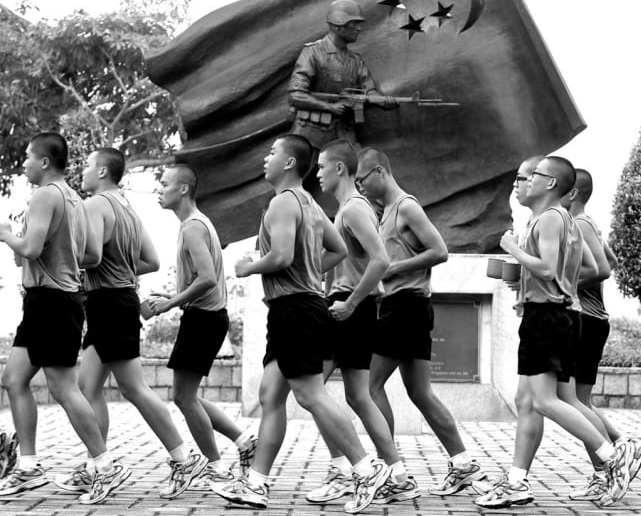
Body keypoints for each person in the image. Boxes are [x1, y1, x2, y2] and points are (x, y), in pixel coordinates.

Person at [212, 135, 389, 513]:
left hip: (295, 310)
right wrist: (309, 273)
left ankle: (365, 469)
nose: (266, 159)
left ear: (290, 163)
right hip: (296, 307)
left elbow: (279, 256)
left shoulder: (282, 203)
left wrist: (247, 267)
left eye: (272, 153)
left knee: (310, 395)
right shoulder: (310, 203)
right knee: (270, 395)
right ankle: (256, 484)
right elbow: (338, 249)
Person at [475, 155, 635, 509]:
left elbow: (548, 269)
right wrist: (533, 286)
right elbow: (578, 268)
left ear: (549, 183)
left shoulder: (550, 218)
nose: (524, 181)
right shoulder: (560, 219)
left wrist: (512, 249)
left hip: (548, 319)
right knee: (529, 401)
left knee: (545, 401)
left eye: (533, 175)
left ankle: (613, 457)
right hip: (553, 314)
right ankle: (516, 481)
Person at [53, 148, 206, 500]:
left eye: (87, 165)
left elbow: (91, 256)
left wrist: (53, 252)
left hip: (109, 302)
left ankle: (183, 459)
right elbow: (151, 261)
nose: (82, 170)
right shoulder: (127, 208)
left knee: (134, 388)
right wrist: (120, 271)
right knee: (87, 387)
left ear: (102, 171)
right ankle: (96, 466)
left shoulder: (95, 204)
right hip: (116, 300)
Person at [0, 133, 129, 504]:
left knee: (63, 388)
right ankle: (28, 467)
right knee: (14, 378)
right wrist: (39, 249)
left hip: (52, 302)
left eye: (28, 157)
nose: (24, 164)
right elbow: (89, 255)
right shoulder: (74, 198)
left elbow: (30, 249)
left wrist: (7, 235)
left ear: (44, 162)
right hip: (52, 299)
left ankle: (104, 466)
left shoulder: (45, 195)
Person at [355, 146, 487, 496]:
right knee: (419, 392)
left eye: (362, 179)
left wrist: (392, 268)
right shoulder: (385, 213)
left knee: (369, 387)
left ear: (379, 171)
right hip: (407, 307)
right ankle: (463, 464)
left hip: (405, 307)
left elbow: (440, 251)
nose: (360, 187)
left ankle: (391, 472)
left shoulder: (406, 207)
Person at [306, 139, 418, 505]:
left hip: (349, 307)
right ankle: (397, 475)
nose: (317, 174)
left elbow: (381, 260)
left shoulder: (354, 208)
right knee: (357, 396)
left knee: (310, 391)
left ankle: (346, 470)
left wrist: (350, 303)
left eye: (322, 167)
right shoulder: (350, 209)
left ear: (340, 168)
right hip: (350, 306)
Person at [151, 165, 256, 491]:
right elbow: (202, 279)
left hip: (204, 319)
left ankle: (216, 468)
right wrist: (173, 298)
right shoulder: (196, 224)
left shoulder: (193, 227)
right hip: (207, 317)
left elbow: (208, 278)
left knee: (183, 398)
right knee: (187, 396)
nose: (159, 189)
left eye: (165, 184)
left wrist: (171, 303)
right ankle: (244, 441)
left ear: (183, 189)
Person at [563, 168, 641, 500]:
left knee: (573, 401)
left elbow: (603, 269)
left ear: (572, 193)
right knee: (580, 401)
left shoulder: (579, 224)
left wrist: (561, 284)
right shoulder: (589, 223)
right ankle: (614, 456)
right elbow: (609, 258)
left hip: (586, 319)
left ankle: (614, 457)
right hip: (593, 319)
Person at [289, 0, 395, 211]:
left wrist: (383, 101)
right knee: (292, 185)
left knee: (364, 169)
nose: (359, 28)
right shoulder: (313, 53)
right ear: (338, 25)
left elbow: (369, 91)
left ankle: (377, 216)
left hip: (344, 134)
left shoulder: (355, 60)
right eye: (353, 23)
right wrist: (330, 107)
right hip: (312, 134)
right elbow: (296, 95)